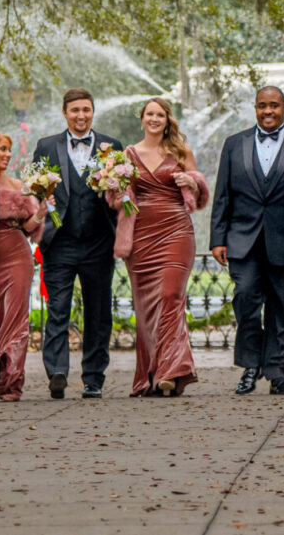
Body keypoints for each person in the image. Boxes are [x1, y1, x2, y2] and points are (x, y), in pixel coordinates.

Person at [210, 85, 284, 396]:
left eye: (274, 106)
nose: (268, 111)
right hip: (243, 239)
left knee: (282, 307)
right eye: (261, 106)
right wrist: (218, 237)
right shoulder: (234, 144)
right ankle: (249, 366)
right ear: (255, 108)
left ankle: (277, 372)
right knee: (245, 299)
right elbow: (222, 194)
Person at [32, 88, 125, 400]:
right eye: (75, 111)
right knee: (57, 309)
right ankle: (57, 372)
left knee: (98, 314)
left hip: (99, 243)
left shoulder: (112, 148)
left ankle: (93, 378)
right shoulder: (46, 146)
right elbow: (36, 193)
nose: (81, 116)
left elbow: (121, 197)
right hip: (59, 243)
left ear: (93, 111)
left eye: (86, 110)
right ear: (64, 113)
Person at [116, 97, 208, 396]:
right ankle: (152, 373)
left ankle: (172, 370)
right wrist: (113, 188)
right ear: (141, 118)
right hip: (141, 235)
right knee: (146, 309)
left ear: (167, 120)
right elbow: (119, 199)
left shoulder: (181, 151)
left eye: (160, 115)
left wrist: (190, 182)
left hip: (176, 231)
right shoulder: (128, 154)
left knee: (171, 296)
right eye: (150, 114)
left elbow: (199, 193)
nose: (154, 119)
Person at [0, 132, 43, 401]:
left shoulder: (17, 184)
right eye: (1, 149)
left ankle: (13, 383)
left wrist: (39, 213)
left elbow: (27, 228)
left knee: (16, 320)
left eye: (8, 150)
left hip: (16, 255)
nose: (7, 154)